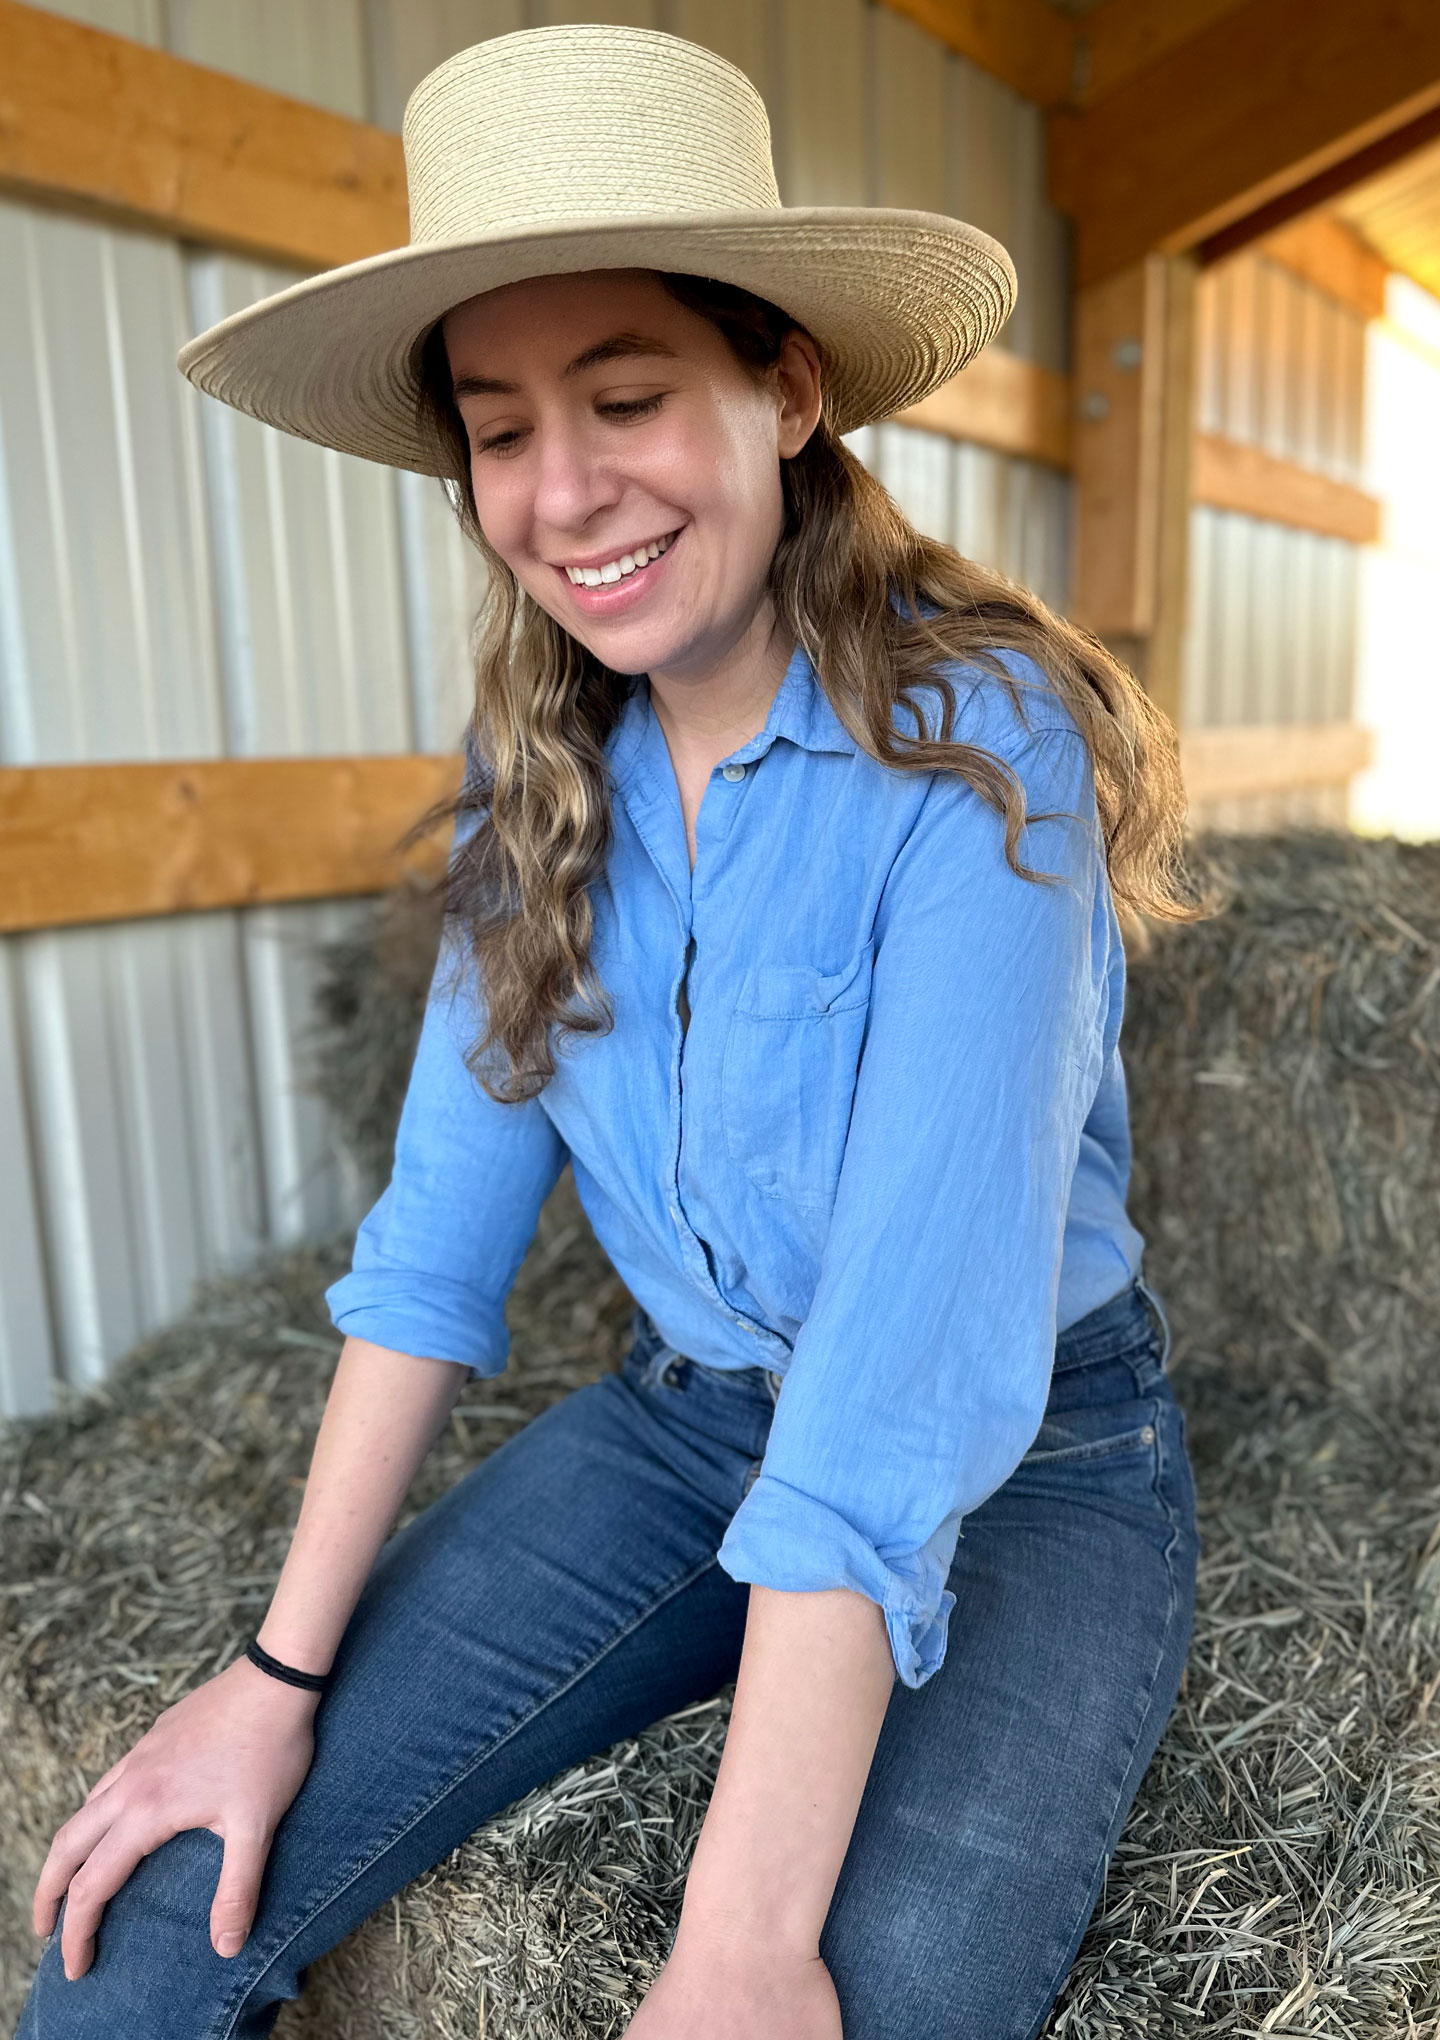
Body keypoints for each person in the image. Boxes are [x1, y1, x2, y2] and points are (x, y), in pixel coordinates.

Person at [19, 23, 1202, 2040]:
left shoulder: (987, 759)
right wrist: (272, 1682)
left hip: (1024, 1460)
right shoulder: (536, 775)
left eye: (630, 394)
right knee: (164, 1911)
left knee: (877, 1993)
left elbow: (894, 1395)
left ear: (788, 385)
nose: (560, 494)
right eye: (497, 429)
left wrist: (738, 1945)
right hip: (686, 1417)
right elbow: (433, 1253)